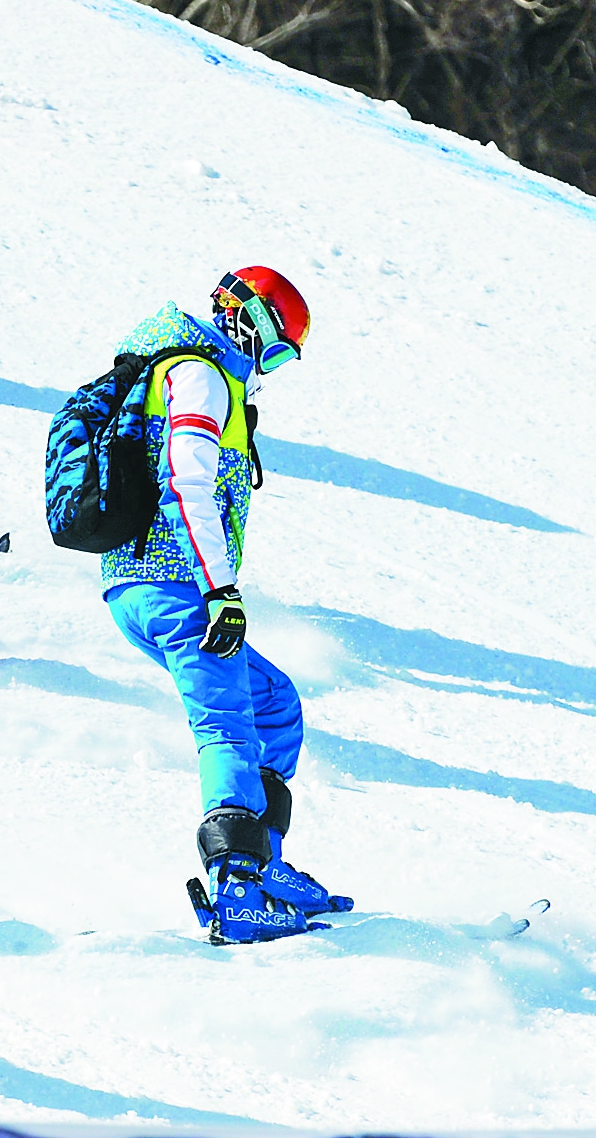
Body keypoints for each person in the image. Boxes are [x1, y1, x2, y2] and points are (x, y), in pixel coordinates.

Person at [98, 267, 351, 943]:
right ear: (252, 320)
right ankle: (236, 880)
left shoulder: (204, 373)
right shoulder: (201, 374)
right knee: (229, 721)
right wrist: (219, 588)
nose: (270, 369)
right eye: (275, 350)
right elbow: (187, 479)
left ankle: (261, 863)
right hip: (172, 582)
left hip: (154, 583)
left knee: (274, 702)